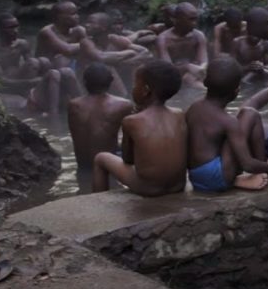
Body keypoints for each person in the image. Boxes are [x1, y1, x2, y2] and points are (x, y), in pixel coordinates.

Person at [92, 60, 188, 196]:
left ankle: (97, 202)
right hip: (177, 186)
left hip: (148, 188)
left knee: (101, 158)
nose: (133, 88)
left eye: (135, 84)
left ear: (145, 90)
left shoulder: (131, 121)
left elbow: (128, 160)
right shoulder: (180, 114)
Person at [185, 57, 268, 192]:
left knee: (246, 113)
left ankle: (247, 176)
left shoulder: (193, 108)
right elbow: (247, 164)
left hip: (195, 178)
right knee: (250, 114)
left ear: (205, 82)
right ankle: (262, 171)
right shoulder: (228, 121)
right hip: (217, 179)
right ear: (237, 91)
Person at [0, 12, 80, 117]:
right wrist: (31, 82)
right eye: (10, 28)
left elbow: (35, 67)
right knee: (35, 63)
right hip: (10, 85)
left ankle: (75, 103)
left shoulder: (22, 44)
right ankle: (44, 104)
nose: (15, 31)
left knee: (44, 61)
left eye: (16, 26)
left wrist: (43, 79)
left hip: (23, 79)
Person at [67, 63, 133, 174]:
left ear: (84, 82)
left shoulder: (73, 105)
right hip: (107, 168)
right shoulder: (123, 105)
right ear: (111, 82)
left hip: (82, 165)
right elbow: (129, 144)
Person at [79, 12, 152, 96]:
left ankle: (138, 93)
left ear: (104, 27)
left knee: (138, 63)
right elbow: (100, 57)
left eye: (91, 22)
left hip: (116, 75)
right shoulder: (86, 42)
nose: (86, 25)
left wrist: (126, 62)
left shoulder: (114, 39)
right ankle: (123, 96)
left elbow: (147, 53)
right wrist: (128, 53)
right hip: (90, 81)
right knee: (107, 66)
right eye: (87, 22)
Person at [156, 2, 208, 89]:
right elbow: (167, 70)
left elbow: (204, 62)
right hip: (170, 79)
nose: (195, 23)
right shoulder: (163, 39)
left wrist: (200, 69)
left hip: (194, 75)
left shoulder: (198, 36)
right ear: (178, 19)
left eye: (195, 19)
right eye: (191, 19)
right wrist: (187, 67)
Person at [232, 7, 268, 83]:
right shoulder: (237, 43)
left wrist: (261, 67)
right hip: (245, 75)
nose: (255, 38)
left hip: (261, 73)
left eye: (259, 36)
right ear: (248, 32)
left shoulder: (264, 43)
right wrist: (247, 67)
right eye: (254, 34)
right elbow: (233, 69)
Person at [35, 1, 87, 70]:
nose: (77, 16)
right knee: (62, 59)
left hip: (70, 67)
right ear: (60, 17)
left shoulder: (79, 30)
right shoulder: (47, 32)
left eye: (77, 13)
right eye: (73, 14)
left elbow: (93, 47)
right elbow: (68, 50)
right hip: (47, 70)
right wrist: (86, 44)